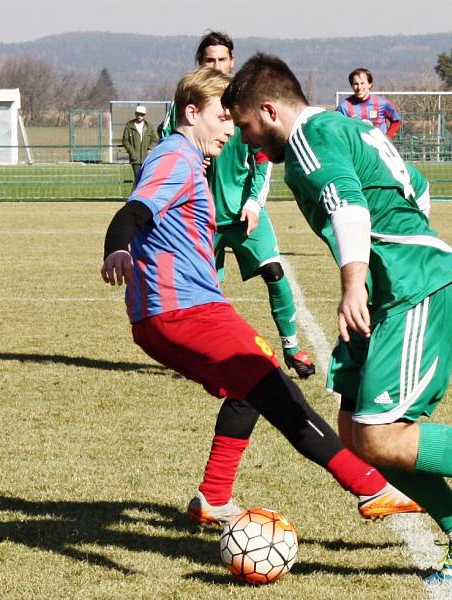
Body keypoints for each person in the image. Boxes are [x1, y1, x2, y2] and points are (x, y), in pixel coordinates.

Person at [222, 53, 452, 583]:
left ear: (269, 109)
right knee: (355, 434)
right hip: (390, 289)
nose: (248, 140)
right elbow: (418, 188)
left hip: (412, 288)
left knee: (379, 434)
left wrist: (361, 279)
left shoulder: (310, 139)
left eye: (247, 126)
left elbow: (349, 208)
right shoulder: (346, 128)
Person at [101, 67, 421, 535]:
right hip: (182, 310)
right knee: (276, 388)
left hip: (179, 309)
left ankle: (213, 497)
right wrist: (118, 247)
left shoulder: (188, 159)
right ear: (192, 113)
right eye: (222, 118)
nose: (230, 130)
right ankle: (370, 486)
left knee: (250, 385)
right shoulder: (175, 157)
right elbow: (133, 211)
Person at [158, 31, 318, 527]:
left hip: (245, 212)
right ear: (199, 64)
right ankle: (217, 359)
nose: (219, 64)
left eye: (224, 58)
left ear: (234, 61)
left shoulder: (242, 104)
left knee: (274, 272)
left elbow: (262, 160)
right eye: (209, 60)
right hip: (203, 217)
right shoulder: (185, 109)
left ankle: (291, 344)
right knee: (210, 294)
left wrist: (254, 203)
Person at [336, 68, 401, 140]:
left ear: (370, 84)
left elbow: (396, 121)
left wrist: (387, 137)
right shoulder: (344, 106)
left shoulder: (382, 103)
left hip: (378, 148)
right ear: (352, 86)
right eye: (356, 84)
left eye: (362, 83)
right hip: (356, 149)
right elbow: (335, 126)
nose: (359, 87)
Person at [121, 105, 158, 184]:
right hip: (135, 159)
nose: (139, 116)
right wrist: (132, 152)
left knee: (146, 179)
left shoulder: (149, 127)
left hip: (147, 158)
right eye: (138, 114)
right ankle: (138, 195)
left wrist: (150, 149)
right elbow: (125, 140)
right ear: (135, 113)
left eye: (142, 114)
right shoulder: (129, 126)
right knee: (138, 179)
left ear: (144, 115)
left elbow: (155, 139)